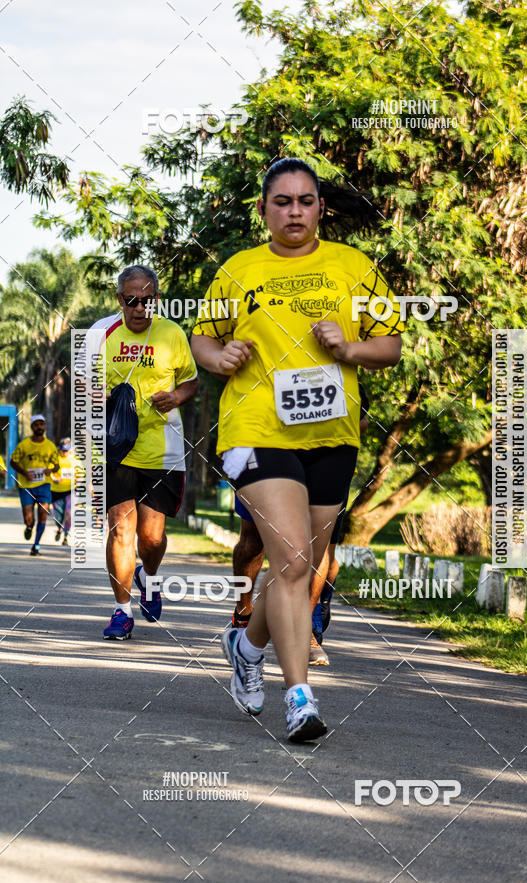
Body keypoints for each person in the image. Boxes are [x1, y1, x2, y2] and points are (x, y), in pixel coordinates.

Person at [191, 158, 402, 742]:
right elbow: (202, 335)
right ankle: (300, 699)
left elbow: (391, 345)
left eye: (305, 201)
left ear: (320, 208)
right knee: (288, 562)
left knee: (300, 567)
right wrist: (218, 358)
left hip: (332, 433)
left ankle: (245, 643)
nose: (294, 211)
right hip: (255, 430)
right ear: (263, 210)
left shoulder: (354, 268)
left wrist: (349, 350)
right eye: (281, 201)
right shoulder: (238, 270)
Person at [85, 265, 198, 640]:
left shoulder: (172, 334)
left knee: (151, 538)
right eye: (131, 300)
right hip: (115, 449)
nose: (138, 307)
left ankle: (148, 577)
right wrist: (98, 399)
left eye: (146, 300)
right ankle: (121, 610)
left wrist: (177, 396)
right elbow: (84, 385)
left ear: (157, 300)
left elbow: (191, 380)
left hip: (162, 450)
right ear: (120, 299)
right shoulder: (101, 333)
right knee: (121, 528)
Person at [229, 384, 371, 667]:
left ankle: (304, 629)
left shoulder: (339, 354)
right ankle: (244, 613)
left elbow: (362, 418)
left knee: (314, 552)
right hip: (266, 450)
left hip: (326, 462)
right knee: (253, 543)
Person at [10, 414, 59, 556]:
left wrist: (51, 470)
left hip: (44, 485)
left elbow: (56, 466)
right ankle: (29, 527)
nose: (39, 427)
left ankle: (36, 545)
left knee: (43, 512)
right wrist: (24, 473)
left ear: (44, 426)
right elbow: (13, 462)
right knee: (29, 518)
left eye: (41, 424)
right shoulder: (24, 445)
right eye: (36, 424)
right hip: (26, 485)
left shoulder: (50, 446)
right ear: (32, 427)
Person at [51, 437, 73, 545]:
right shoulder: (55, 459)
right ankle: (59, 528)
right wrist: (54, 479)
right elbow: (48, 472)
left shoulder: (75, 460)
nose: (64, 452)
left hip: (70, 491)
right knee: (58, 515)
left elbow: (81, 474)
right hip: (56, 491)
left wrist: (80, 479)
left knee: (68, 513)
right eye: (63, 450)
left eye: (67, 450)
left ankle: (66, 535)